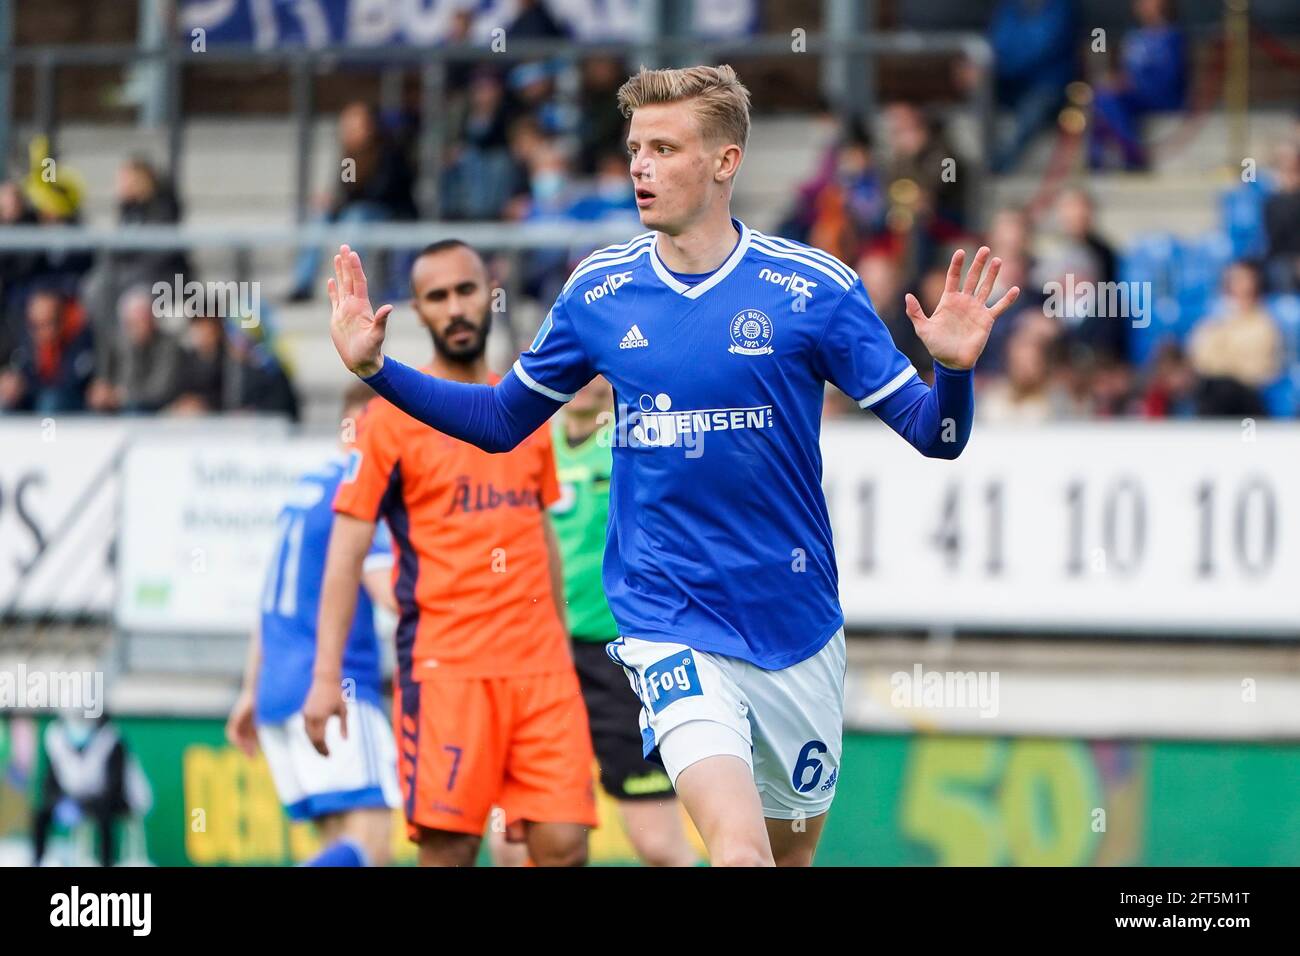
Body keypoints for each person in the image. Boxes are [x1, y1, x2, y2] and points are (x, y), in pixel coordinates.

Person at [323, 64, 1018, 867]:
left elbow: (938, 437)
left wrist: (956, 371)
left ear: (725, 162)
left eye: (663, 147)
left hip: (795, 626)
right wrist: (378, 371)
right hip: (667, 622)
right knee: (739, 851)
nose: (640, 167)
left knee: (786, 858)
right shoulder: (599, 293)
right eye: (634, 148)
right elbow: (499, 422)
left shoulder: (814, 289)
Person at [307, 239, 597, 867]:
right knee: (449, 851)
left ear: (488, 290)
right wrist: (326, 676)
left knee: (565, 846)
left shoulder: (523, 410)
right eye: (437, 297)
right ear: (417, 309)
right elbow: (347, 548)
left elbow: (540, 530)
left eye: (465, 290)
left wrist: (560, 634)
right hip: (446, 671)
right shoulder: (387, 422)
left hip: (541, 669)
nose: (456, 307)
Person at [225, 383, 400, 867]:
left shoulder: (304, 490)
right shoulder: (361, 489)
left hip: (277, 694)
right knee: (371, 848)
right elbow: (390, 593)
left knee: (335, 845)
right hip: (333, 693)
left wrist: (248, 691)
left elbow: (267, 601)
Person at [549, 375, 697, 867]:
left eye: (597, 367)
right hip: (545, 659)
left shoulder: (631, 437)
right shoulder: (529, 446)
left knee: (657, 843)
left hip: (620, 657)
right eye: (576, 366)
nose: (585, 380)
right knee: (536, 841)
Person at [86, 286, 184, 414]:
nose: (138, 328)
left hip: (154, 410)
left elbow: (160, 391)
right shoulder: (117, 342)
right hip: (118, 407)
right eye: (132, 323)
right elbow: (104, 378)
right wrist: (101, 392)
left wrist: (122, 396)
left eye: (143, 320)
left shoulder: (169, 346)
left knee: (134, 411)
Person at [0, 287, 94, 413]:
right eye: (35, 325)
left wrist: (27, 385)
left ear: (62, 320)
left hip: (74, 408)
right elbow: (21, 370)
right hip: (32, 401)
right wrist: (13, 383)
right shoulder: (25, 341)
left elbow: (71, 383)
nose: (41, 333)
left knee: (50, 400)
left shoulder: (80, 340)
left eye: (48, 323)